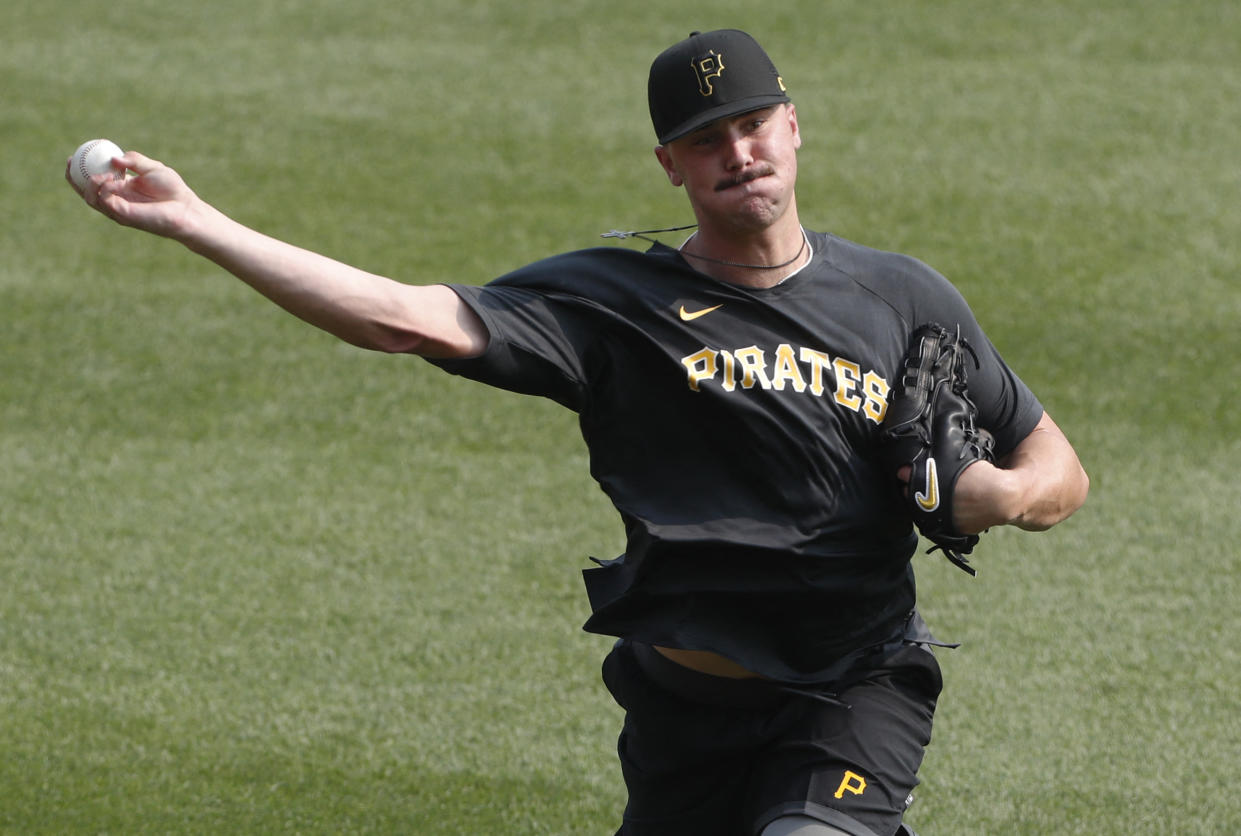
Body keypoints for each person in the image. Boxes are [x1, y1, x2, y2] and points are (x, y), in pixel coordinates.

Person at [68, 28, 1088, 836]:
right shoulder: (609, 303)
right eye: (704, 139)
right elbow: (403, 316)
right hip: (682, 708)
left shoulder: (900, 295)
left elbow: (1055, 464)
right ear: (668, 164)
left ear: (790, 126)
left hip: (851, 684)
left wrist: (998, 495)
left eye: (750, 124)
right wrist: (201, 222)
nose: (735, 153)